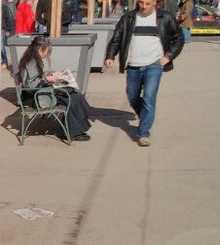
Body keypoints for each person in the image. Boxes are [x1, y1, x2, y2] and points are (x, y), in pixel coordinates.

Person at [105, 0, 184, 147]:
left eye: (148, 3)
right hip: (133, 64)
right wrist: (110, 56)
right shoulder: (128, 18)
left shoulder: (165, 18)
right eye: (141, 3)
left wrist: (167, 57)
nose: (144, 6)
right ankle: (146, 116)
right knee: (133, 96)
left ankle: (143, 133)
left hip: (154, 65)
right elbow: (116, 38)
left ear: (154, 2)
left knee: (149, 98)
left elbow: (178, 38)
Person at [15, 36, 92, 141]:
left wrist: (51, 75)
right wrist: (48, 78)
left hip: (42, 92)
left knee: (74, 94)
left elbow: (35, 79)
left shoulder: (32, 60)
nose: (47, 54)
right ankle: (72, 132)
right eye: (47, 51)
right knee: (73, 97)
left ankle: (74, 129)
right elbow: (29, 86)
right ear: (40, 49)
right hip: (38, 97)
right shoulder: (30, 63)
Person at [1, 0, 16, 69]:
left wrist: (8, 29)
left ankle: (4, 61)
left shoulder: (4, 7)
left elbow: (8, 18)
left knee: (2, 47)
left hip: (2, 29)